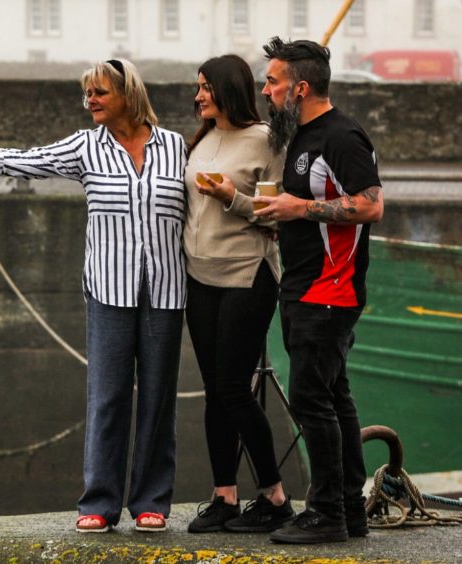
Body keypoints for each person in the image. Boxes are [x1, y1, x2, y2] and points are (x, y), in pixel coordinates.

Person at [0, 59, 186, 534]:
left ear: (127, 94)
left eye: (99, 93)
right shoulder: (85, 146)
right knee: (108, 397)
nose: (89, 100)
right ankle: (100, 502)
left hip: (166, 292)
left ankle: (152, 500)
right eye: (87, 93)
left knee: (158, 399)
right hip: (109, 290)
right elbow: (27, 158)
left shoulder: (175, 147)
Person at [254, 37, 384, 544]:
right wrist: (282, 224)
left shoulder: (342, 136)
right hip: (306, 285)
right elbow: (317, 205)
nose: (266, 91)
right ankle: (349, 509)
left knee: (313, 399)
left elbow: (370, 206)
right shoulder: (303, 137)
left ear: (299, 87)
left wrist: (298, 210)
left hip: (329, 291)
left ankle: (326, 511)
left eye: (273, 82)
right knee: (334, 397)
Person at [182, 54, 294, 534]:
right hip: (199, 277)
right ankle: (224, 495)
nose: (199, 94)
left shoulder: (267, 140)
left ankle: (274, 496)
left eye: (206, 87)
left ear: (229, 88)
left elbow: (274, 214)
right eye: (197, 86)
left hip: (248, 276)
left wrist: (233, 197)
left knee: (233, 388)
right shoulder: (201, 139)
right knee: (215, 392)